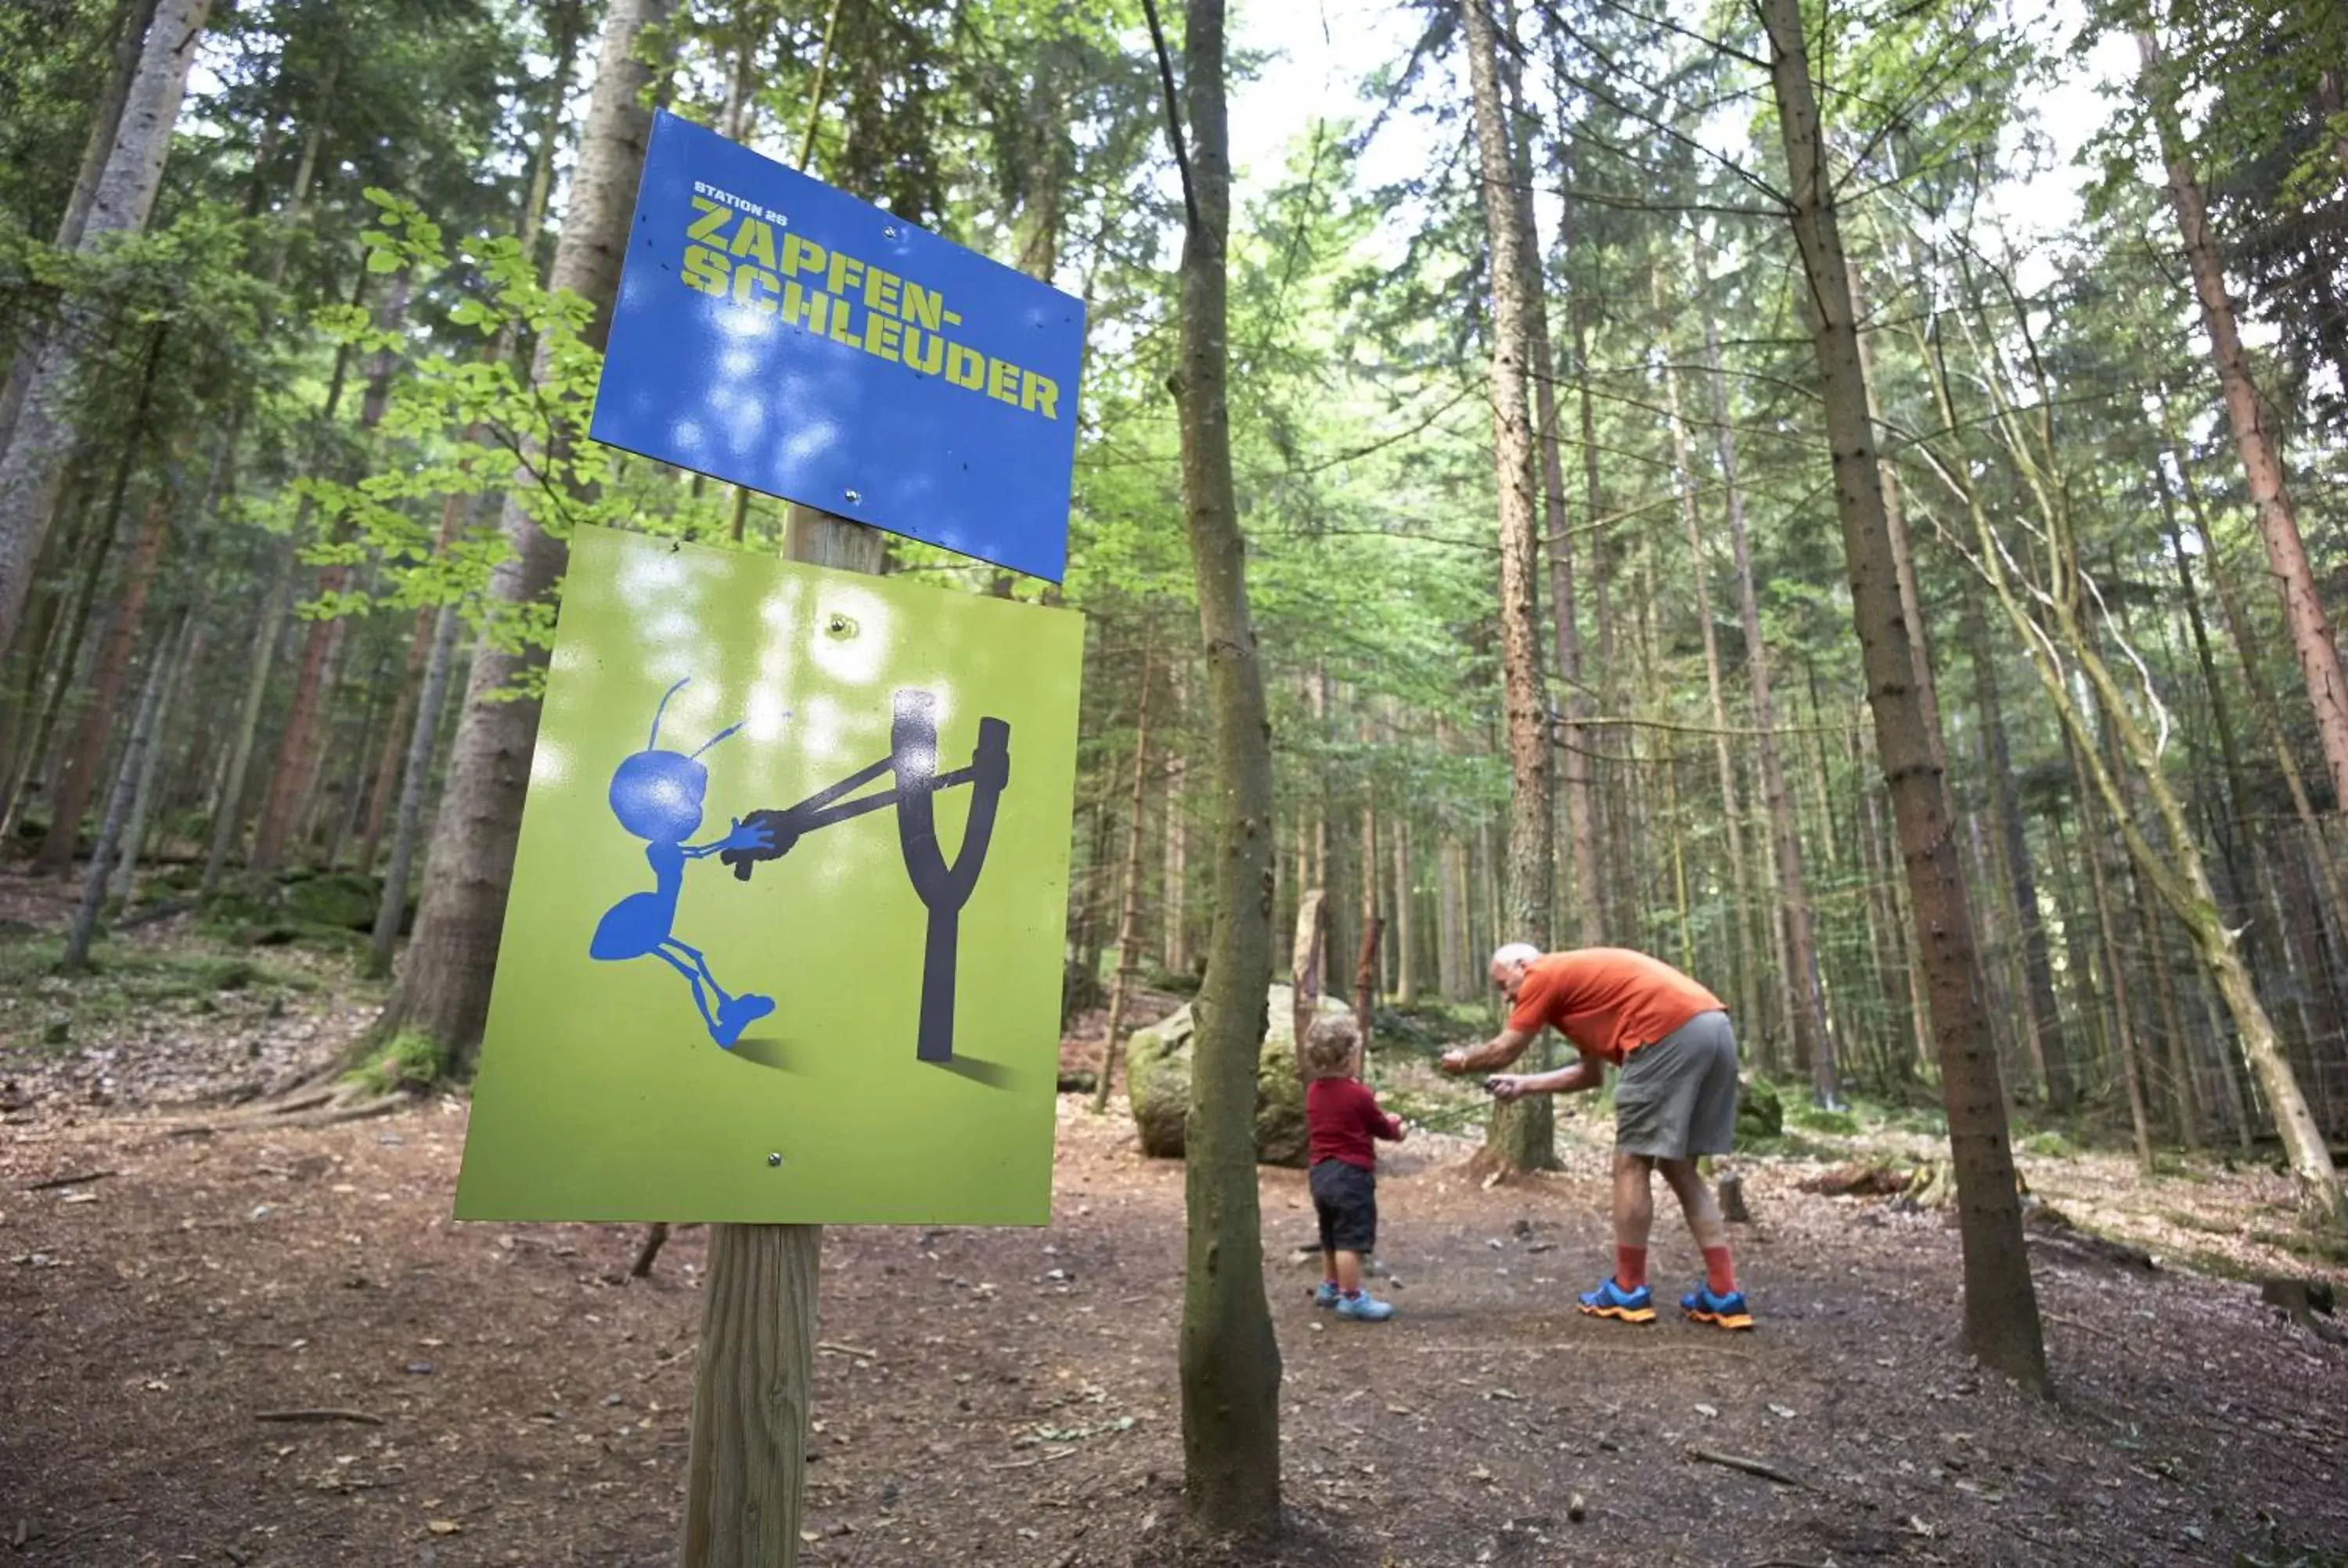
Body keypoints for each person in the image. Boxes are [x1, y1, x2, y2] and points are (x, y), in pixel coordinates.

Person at [1440, 943, 1752, 1331]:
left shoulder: (1543, 974)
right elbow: (1589, 1075)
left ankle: (1628, 1289)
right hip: (1713, 1027)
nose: (1506, 997)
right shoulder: (1580, 992)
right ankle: (1725, 1294)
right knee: (1679, 1166)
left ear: (1522, 965)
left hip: (1664, 1033)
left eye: (1504, 985)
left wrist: (1464, 1061)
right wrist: (1524, 1085)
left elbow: (1504, 1049)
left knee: (1631, 1163)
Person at [1302, 1013, 1406, 1322]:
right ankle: (1352, 1298)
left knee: (1331, 1235)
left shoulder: (1313, 1091)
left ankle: (1330, 1286)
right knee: (1351, 1240)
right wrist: (1397, 1129)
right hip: (1350, 1175)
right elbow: (1381, 1127)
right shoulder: (1358, 1093)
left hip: (1320, 1173)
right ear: (1349, 1056)